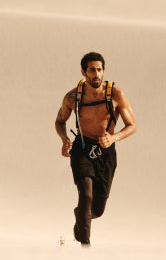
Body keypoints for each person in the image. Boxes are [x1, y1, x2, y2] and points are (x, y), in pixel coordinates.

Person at [55, 52, 137, 246]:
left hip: (105, 153)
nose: (96, 74)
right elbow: (59, 121)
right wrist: (64, 139)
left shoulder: (116, 94)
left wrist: (113, 137)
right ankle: (85, 246)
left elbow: (132, 125)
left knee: (97, 209)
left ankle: (80, 217)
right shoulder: (72, 97)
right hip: (82, 149)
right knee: (86, 194)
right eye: (91, 70)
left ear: (104, 71)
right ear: (83, 72)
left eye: (99, 69)